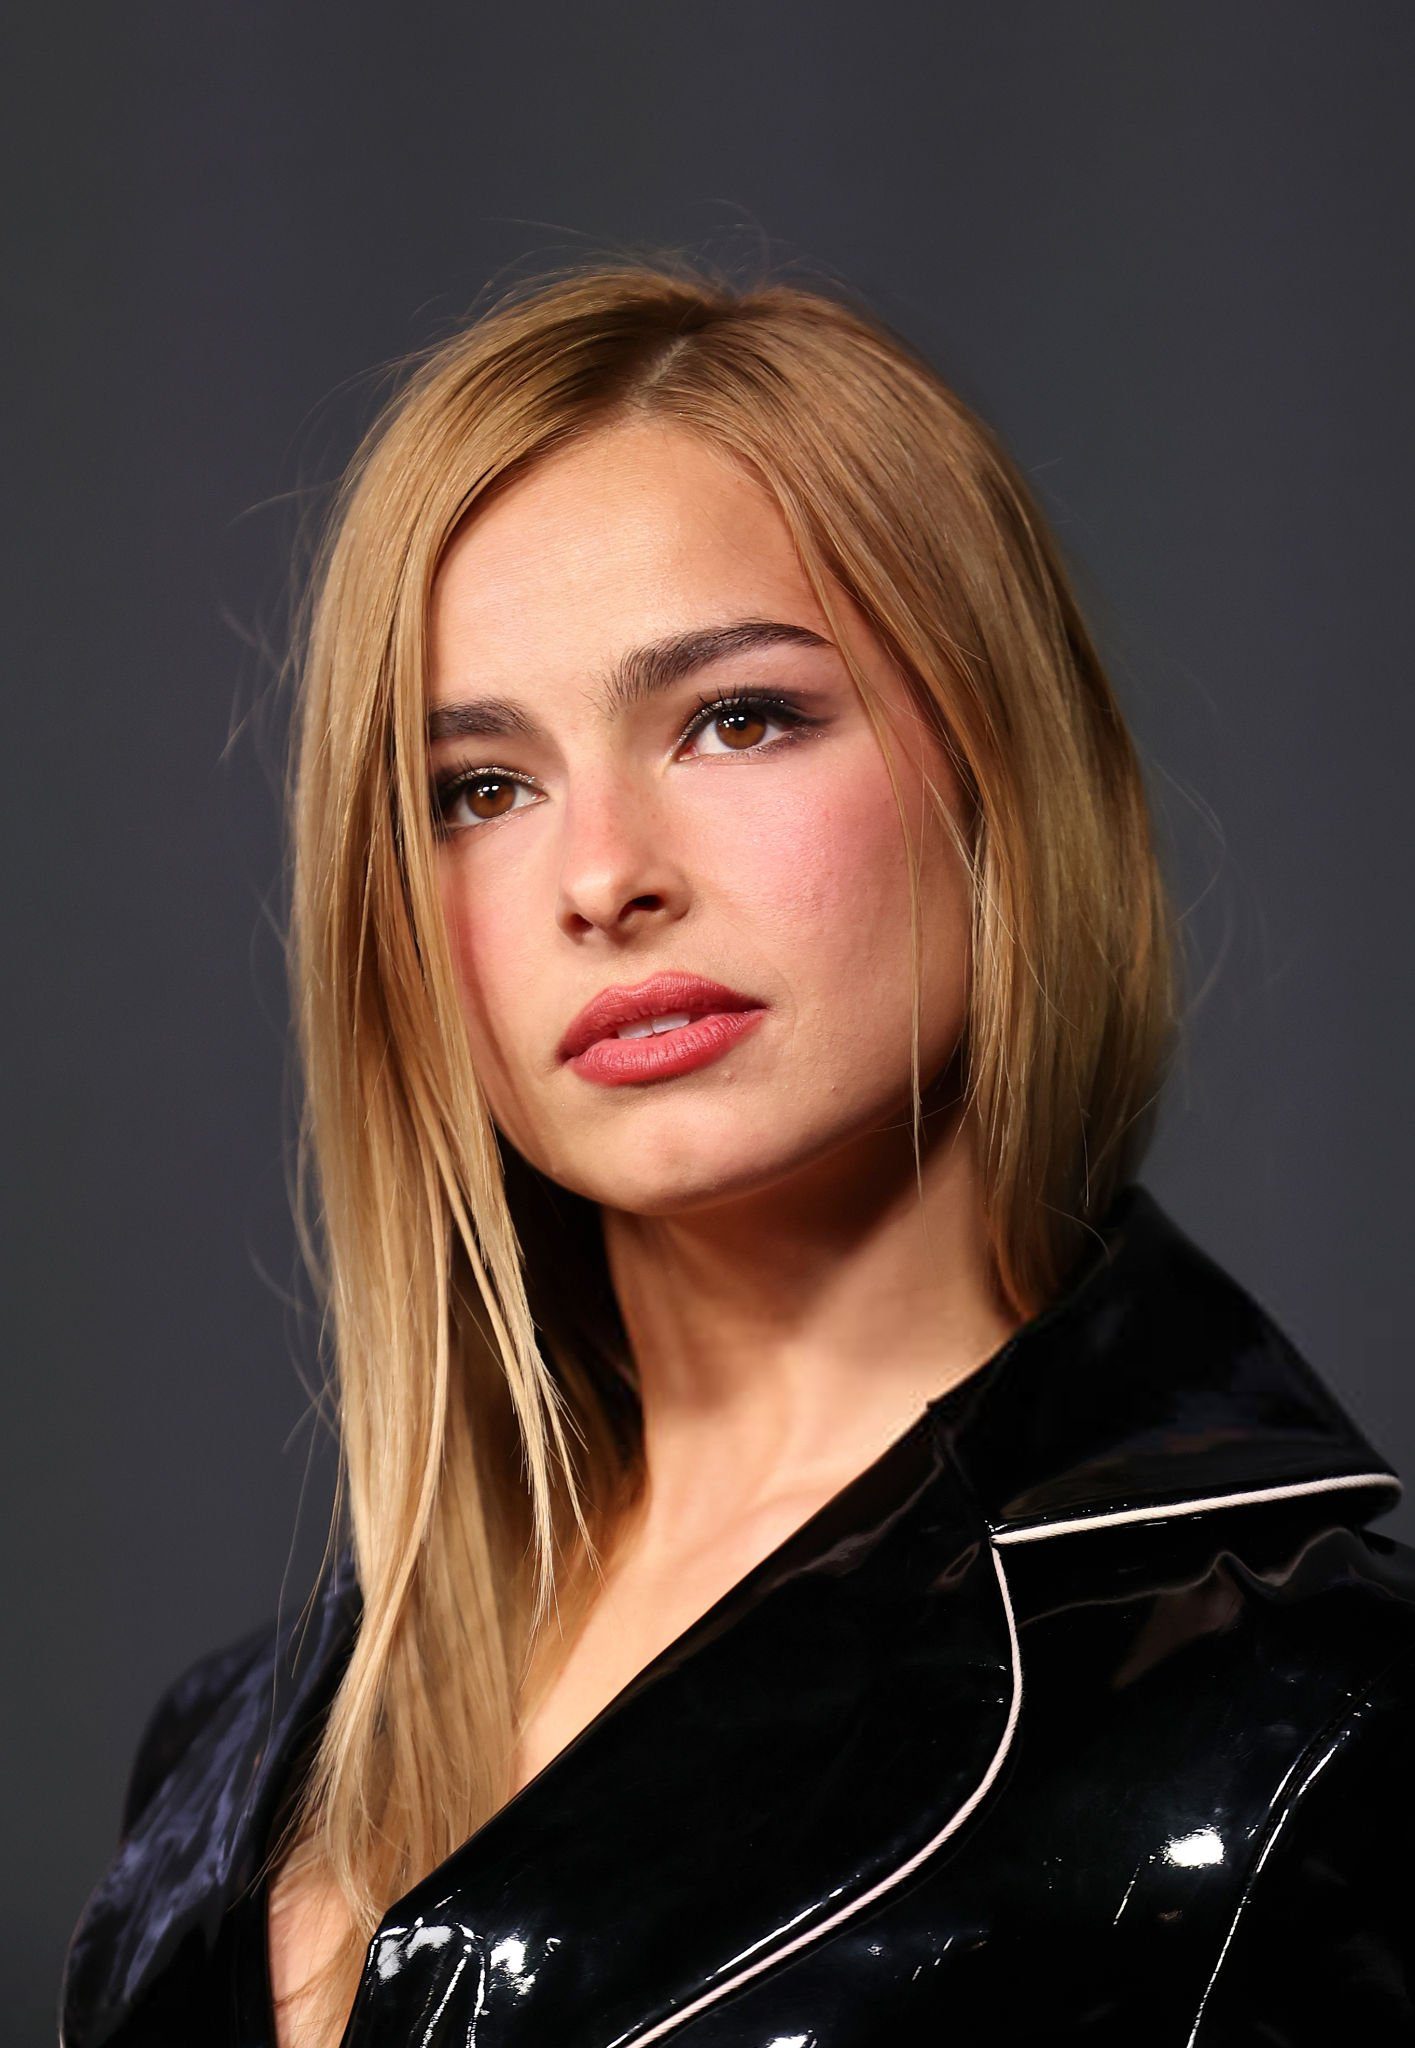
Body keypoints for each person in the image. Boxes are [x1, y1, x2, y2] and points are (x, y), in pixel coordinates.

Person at [61, 259, 1415, 2048]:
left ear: (998, 769)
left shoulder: (1311, 1735)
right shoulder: (236, 1751)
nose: (601, 876)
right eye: (479, 787)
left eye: (738, 717)